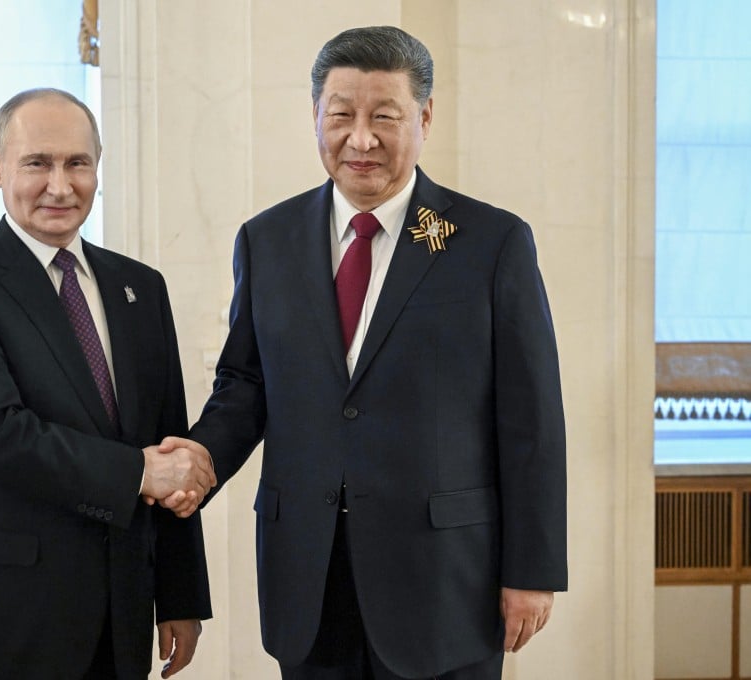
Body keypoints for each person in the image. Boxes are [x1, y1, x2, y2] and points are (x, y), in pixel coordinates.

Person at [159, 26, 567, 680]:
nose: (361, 139)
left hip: (444, 579)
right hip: (309, 575)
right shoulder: (268, 240)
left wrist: (532, 570)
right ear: (315, 116)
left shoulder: (489, 242)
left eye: (384, 117)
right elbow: (246, 384)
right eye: (342, 115)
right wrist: (202, 458)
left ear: (424, 118)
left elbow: (532, 420)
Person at [0, 87, 216, 680]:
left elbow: (168, 439)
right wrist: (138, 473)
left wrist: (180, 596)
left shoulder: (140, 287)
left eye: (77, 163)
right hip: (3, 619)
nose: (60, 185)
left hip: (120, 617)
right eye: (37, 163)